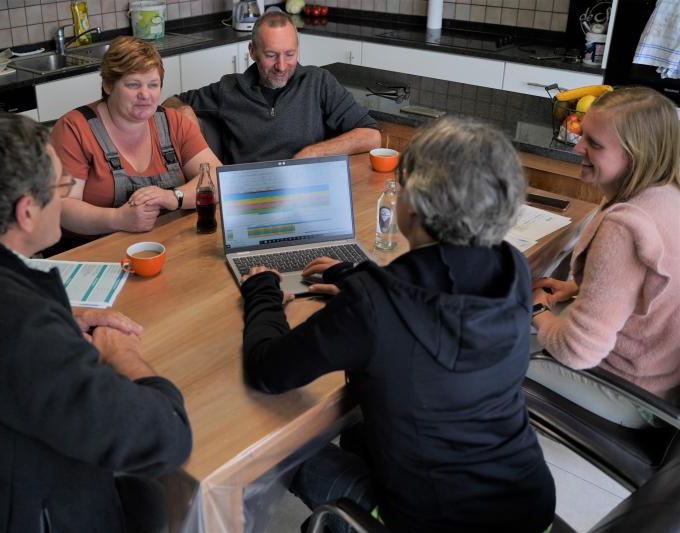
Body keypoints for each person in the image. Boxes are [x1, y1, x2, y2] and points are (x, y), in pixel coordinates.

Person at [239, 117, 555, 532]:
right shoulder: (509, 265)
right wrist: (355, 277)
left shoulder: (375, 303)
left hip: (429, 522)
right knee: (359, 432)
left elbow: (268, 371)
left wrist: (261, 291)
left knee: (280, 452)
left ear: (416, 206)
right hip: (527, 508)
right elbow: (434, 302)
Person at [0, 112, 192, 532]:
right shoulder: (9, 325)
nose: (66, 193)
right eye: (62, 186)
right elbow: (166, 437)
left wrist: (61, 315)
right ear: (26, 211)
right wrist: (122, 356)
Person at [530, 87, 680, 426]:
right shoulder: (666, 193)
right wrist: (576, 289)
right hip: (661, 375)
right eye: (583, 136)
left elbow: (577, 351)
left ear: (635, 155)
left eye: (594, 144)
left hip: (632, 393)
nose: (577, 147)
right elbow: (643, 290)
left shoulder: (626, 226)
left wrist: (537, 309)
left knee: (484, 354)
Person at [50, 36, 221, 239]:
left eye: (153, 85)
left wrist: (174, 196)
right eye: (133, 85)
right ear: (108, 85)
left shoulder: (173, 122)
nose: (145, 95)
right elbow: (62, 207)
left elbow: (218, 180)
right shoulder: (74, 129)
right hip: (98, 251)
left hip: (169, 242)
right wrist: (117, 218)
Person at [163, 10, 381, 164]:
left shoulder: (318, 82)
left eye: (289, 54)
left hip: (306, 192)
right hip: (249, 196)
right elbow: (170, 103)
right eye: (271, 55)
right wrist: (185, 113)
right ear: (252, 51)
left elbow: (372, 135)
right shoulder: (228, 89)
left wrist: (315, 152)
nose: (281, 66)